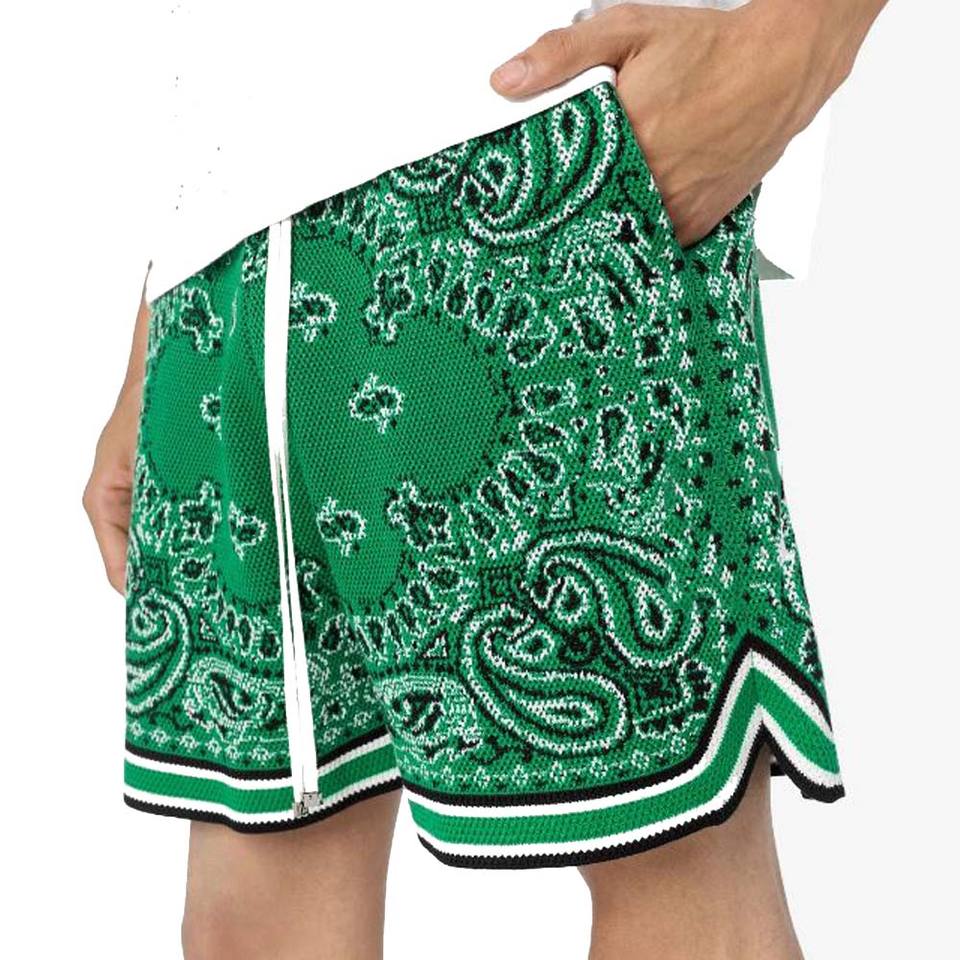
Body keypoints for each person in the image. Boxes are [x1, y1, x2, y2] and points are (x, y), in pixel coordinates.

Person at [83, 1, 886, 957]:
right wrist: (159, 308)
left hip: (530, 175)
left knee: (680, 888)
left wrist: (794, 45)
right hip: (221, 275)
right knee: (250, 922)